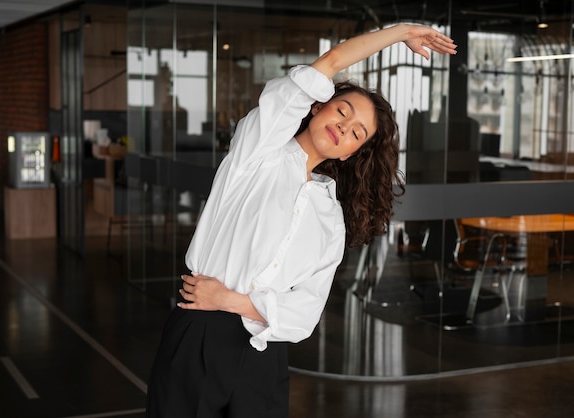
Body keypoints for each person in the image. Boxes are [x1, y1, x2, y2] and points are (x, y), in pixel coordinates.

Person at [146, 23, 457, 417]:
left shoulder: (329, 217)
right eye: (342, 111)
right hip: (201, 332)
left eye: (356, 133)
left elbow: (305, 313)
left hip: (264, 354)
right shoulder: (257, 153)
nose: (344, 127)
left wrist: (230, 299)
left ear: (349, 153)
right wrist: (398, 34)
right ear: (316, 106)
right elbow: (329, 62)